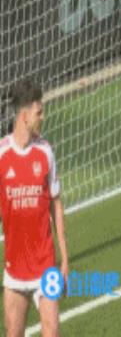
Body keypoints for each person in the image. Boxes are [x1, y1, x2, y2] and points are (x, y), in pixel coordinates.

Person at [0, 78, 69, 337]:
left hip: (45, 266)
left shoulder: (45, 151)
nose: (43, 117)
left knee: (52, 330)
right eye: (39, 112)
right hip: (15, 270)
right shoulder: (2, 155)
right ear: (24, 116)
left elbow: (56, 205)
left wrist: (64, 259)